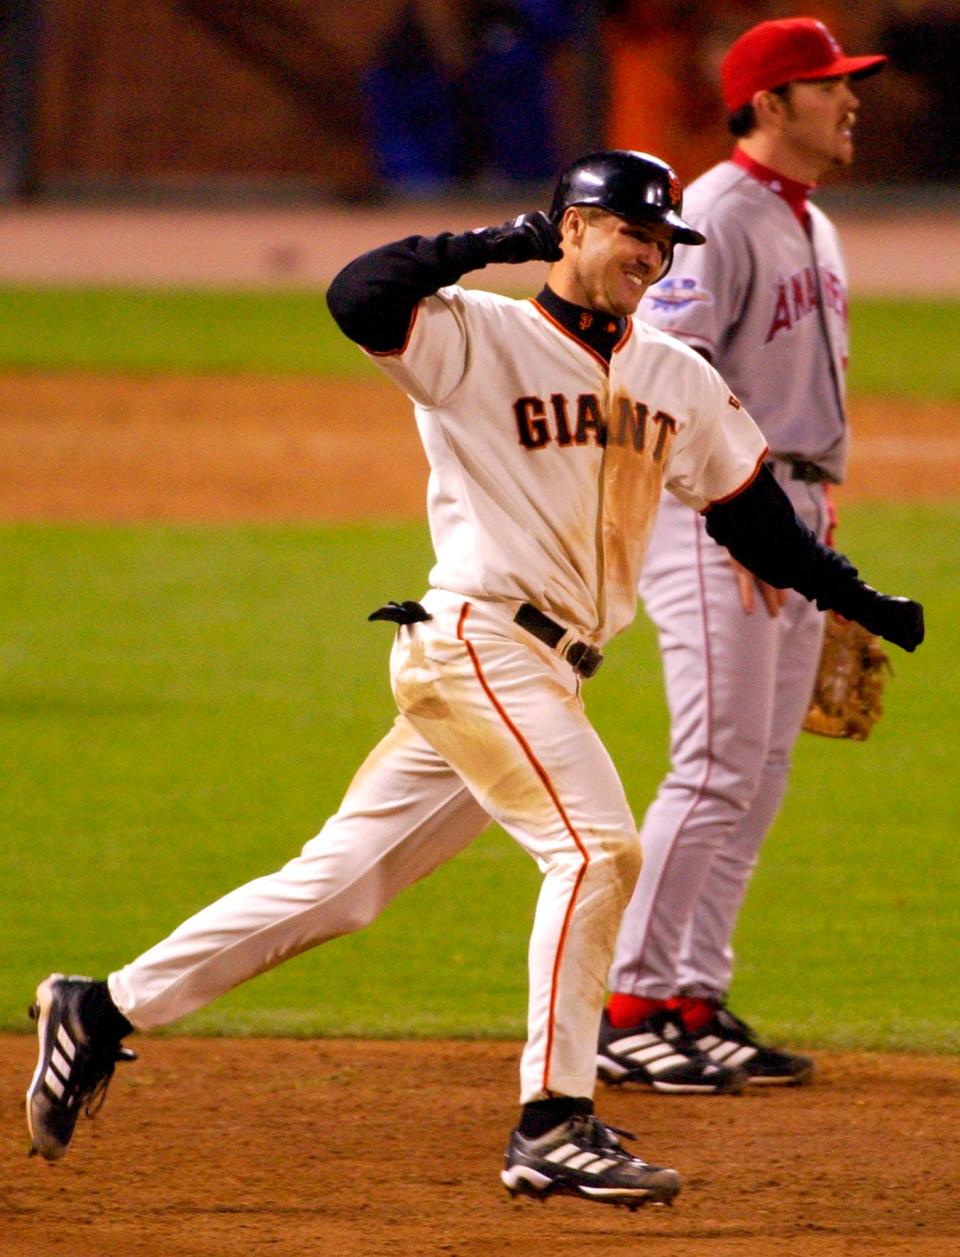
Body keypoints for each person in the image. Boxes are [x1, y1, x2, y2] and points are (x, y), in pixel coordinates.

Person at [25, 148, 923, 1210]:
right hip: (477, 647)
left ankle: (102, 1008)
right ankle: (554, 1121)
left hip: (542, 676)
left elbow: (751, 516)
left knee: (343, 883)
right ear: (573, 230)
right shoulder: (474, 336)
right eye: (632, 233)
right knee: (595, 849)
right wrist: (496, 243)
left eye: (661, 241)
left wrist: (859, 600)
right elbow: (355, 293)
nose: (650, 255)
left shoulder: (674, 373)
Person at [598, 18, 890, 1095]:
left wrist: (812, 521)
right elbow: (657, 377)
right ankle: (624, 1005)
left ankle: (689, 997)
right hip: (720, 518)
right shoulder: (714, 215)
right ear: (770, 105)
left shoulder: (806, 222)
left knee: (758, 775)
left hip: (793, 513)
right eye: (829, 86)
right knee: (715, 763)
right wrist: (740, 515)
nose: (850, 101)